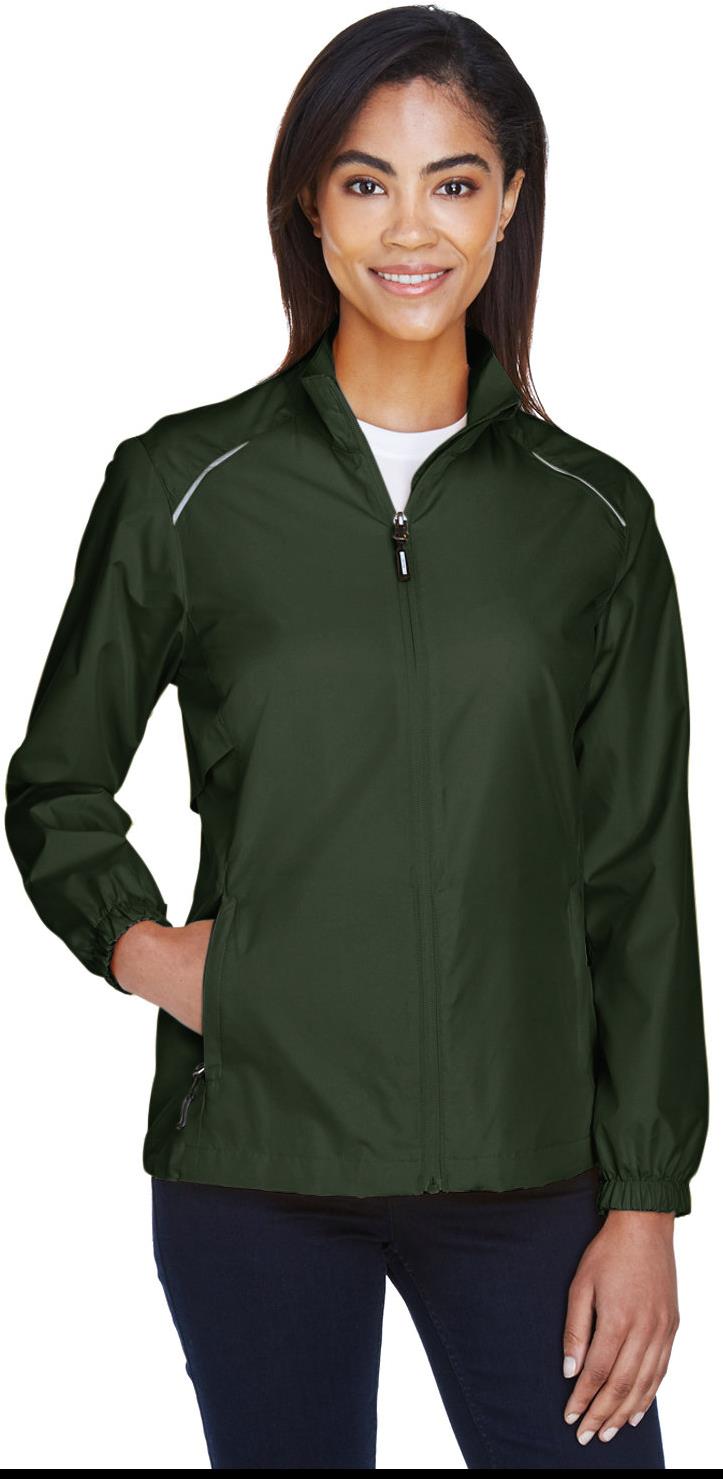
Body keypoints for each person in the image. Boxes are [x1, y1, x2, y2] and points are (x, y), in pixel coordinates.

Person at [4, 5, 709, 1469]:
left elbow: (641, 876)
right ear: (310, 207)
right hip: (259, 1161)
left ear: (510, 204)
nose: (411, 227)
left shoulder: (595, 519)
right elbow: (58, 783)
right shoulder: (184, 486)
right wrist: (148, 951)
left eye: (455, 181)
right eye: (366, 180)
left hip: (529, 1172)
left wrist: (646, 1197)